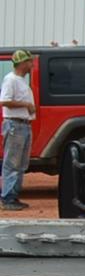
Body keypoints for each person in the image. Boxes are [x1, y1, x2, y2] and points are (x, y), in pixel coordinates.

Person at [0, 49, 34, 209]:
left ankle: (13, 196)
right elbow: (4, 101)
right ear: (22, 63)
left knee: (20, 164)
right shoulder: (11, 80)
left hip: (23, 125)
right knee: (12, 163)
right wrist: (26, 105)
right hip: (15, 124)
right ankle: (7, 199)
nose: (31, 65)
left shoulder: (20, 80)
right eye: (28, 61)